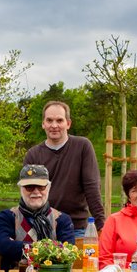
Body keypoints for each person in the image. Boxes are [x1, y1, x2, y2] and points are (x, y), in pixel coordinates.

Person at [24, 100, 105, 236]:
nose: (54, 125)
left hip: (76, 228)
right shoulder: (33, 154)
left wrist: (101, 225)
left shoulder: (82, 147)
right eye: (49, 120)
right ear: (43, 124)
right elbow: (28, 195)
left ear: (68, 123)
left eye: (59, 120)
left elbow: (92, 187)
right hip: (42, 229)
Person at [0, 164, 75, 272]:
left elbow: (68, 253)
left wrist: (20, 247)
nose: (36, 192)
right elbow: (4, 247)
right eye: (29, 187)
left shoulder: (62, 219)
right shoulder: (7, 216)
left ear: (49, 188)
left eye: (41, 187)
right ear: (20, 189)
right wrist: (52, 248)